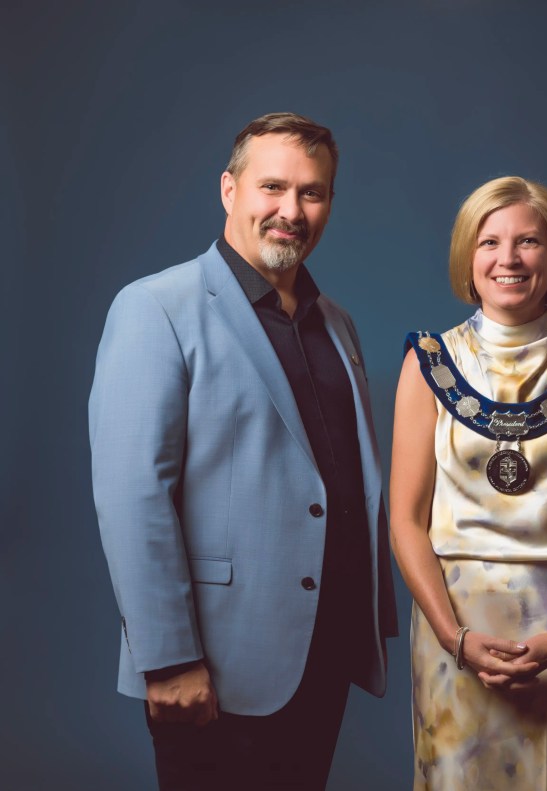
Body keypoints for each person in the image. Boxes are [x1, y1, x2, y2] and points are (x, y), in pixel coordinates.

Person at [88, 112, 397, 789]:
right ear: (229, 190)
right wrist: (168, 659)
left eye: (312, 193)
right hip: (213, 662)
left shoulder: (336, 323)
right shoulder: (155, 308)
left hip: (323, 652)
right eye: (273, 187)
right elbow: (132, 494)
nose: (292, 210)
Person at [389, 176, 547, 790]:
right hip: (454, 628)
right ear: (467, 258)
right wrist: (453, 638)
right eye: (489, 242)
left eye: (528, 241)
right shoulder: (428, 362)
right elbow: (405, 521)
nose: (509, 258)